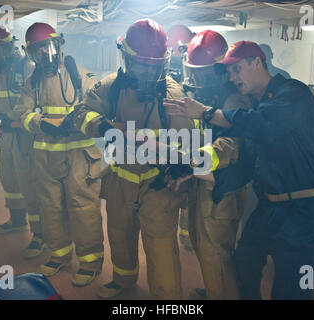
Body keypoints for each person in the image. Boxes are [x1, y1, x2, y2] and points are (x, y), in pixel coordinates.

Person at [163, 40, 314, 300]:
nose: (232, 76)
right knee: (243, 266)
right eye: (228, 71)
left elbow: (259, 125)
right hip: (269, 207)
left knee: (292, 289)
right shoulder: (257, 106)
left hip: (303, 210)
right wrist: (191, 169)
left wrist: (206, 113)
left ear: (257, 62)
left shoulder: (294, 93)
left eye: (237, 69)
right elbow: (245, 167)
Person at [63, 19, 194, 299]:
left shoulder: (173, 95)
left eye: (154, 65)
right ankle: (123, 282)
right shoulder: (111, 87)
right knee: (120, 239)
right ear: (126, 59)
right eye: (141, 64)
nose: (148, 71)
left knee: (161, 250)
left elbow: (187, 147)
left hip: (158, 186)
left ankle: (167, 300)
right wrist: (103, 127)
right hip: (121, 180)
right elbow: (80, 113)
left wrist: (174, 164)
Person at [10, 23, 104, 287]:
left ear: (60, 45)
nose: (45, 54)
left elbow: (99, 111)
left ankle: (90, 262)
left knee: (83, 208)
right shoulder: (32, 84)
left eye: (48, 47)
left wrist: (77, 122)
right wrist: (40, 122)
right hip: (45, 158)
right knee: (50, 208)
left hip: (79, 156)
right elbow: (21, 113)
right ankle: (59, 255)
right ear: (31, 54)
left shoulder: (82, 77)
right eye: (38, 50)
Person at [178, 30, 253, 300]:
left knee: (217, 255)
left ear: (221, 70)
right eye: (196, 75)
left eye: (207, 74)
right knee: (202, 246)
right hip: (205, 184)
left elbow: (230, 147)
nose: (201, 81)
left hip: (222, 191)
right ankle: (214, 292)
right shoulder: (211, 100)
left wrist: (192, 162)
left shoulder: (234, 100)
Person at [0, 24, 44, 259]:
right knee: (8, 177)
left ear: (8, 46)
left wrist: (15, 122)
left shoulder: (28, 67)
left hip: (25, 136)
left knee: (30, 184)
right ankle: (17, 221)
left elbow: (36, 103)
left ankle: (41, 235)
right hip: (6, 136)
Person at [167, 24, 195, 252]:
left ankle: (187, 237)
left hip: (193, 144)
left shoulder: (195, 76)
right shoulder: (168, 77)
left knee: (188, 194)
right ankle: (186, 237)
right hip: (180, 143)